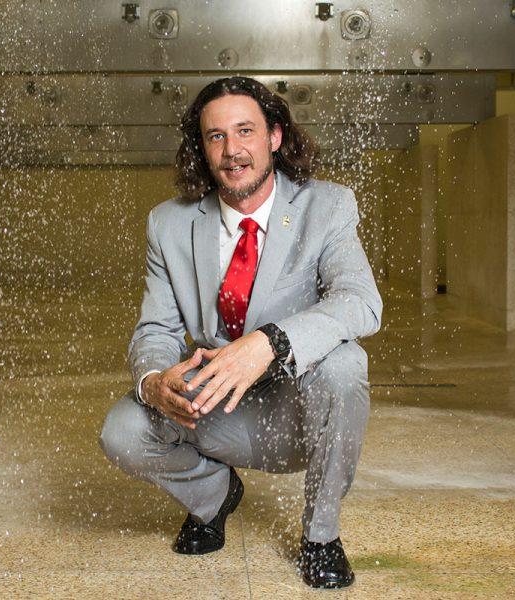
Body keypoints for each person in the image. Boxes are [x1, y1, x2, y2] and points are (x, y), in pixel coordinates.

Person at [99, 76, 382, 589]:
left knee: (347, 363)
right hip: (214, 409)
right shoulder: (168, 224)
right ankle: (214, 497)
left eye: (245, 131)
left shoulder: (329, 206)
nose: (233, 151)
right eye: (216, 136)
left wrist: (271, 342)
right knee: (122, 430)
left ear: (274, 136)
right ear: (202, 149)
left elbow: (360, 302)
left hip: (299, 408)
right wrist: (157, 379)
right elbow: (157, 327)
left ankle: (321, 536)